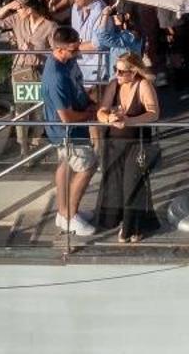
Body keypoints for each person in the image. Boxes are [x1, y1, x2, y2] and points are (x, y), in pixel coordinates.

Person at [94, 52, 161, 242]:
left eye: (122, 71)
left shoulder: (143, 85)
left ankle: (132, 227)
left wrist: (129, 121)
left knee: (132, 184)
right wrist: (109, 118)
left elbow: (154, 113)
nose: (117, 74)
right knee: (115, 184)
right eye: (116, 69)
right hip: (114, 143)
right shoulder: (114, 85)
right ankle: (123, 221)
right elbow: (101, 110)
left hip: (136, 144)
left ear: (134, 72)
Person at [41, 25, 98, 238]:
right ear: (60, 50)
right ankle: (69, 216)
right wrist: (90, 114)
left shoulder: (69, 61)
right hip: (67, 131)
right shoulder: (55, 77)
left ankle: (63, 212)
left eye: (78, 48)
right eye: (73, 50)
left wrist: (89, 101)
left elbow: (78, 87)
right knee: (87, 167)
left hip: (73, 126)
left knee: (65, 165)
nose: (78, 53)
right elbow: (66, 117)